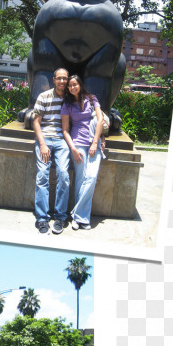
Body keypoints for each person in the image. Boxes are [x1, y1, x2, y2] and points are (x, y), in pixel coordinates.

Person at [61, 74, 105, 230]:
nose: (72, 87)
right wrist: (72, 149)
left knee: (91, 177)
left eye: (75, 84)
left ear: (80, 84)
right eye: (70, 85)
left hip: (94, 143)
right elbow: (65, 130)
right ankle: (82, 219)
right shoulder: (67, 104)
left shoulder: (92, 99)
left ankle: (76, 214)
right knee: (80, 179)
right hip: (77, 144)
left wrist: (95, 142)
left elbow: (100, 120)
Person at [30, 68, 71, 234]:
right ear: (54, 79)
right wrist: (42, 144)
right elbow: (36, 122)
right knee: (42, 176)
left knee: (63, 175)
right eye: (59, 78)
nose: (62, 81)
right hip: (45, 139)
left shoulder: (70, 99)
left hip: (62, 140)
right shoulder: (44, 96)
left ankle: (60, 216)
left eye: (65, 79)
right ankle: (42, 218)